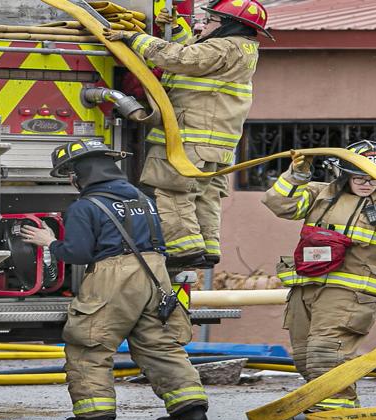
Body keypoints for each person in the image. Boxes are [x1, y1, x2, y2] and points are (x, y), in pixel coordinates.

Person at [21, 138, 208, 420]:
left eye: (71, 174)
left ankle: (94, 414)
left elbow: (78, 253)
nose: (71, 181)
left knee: (90, 344)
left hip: (114, 277)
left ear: (81, 174)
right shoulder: (143, 199)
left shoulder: (85, 206)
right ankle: (191, 411)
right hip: (155, 273)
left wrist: (50, 242)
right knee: (159, 344)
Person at [262, 140, 376, 413]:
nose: (367, 183)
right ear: (343, 173)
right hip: (308, 285)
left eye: (373, 178)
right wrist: (296, 175)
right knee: (305, 356)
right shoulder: (320, 194)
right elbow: (281, 204)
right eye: (359, 177)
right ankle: (331, 402)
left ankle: (334, 409)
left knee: (326, 350)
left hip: (355, 290)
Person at [104, 0, 271, 270]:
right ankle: (208, 248)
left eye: (211, 21)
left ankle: (184, 250)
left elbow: (180, 59)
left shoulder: (225, 47)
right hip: (212, 144)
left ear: (229, 25)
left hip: (189, 139)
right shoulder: (239, 48)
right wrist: (174, 28)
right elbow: (195, 52)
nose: (204, 25)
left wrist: (135, 38)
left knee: (172, 191)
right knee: (204, 195)